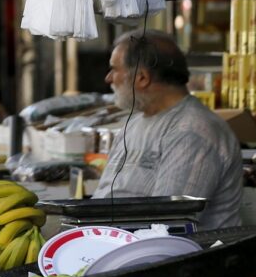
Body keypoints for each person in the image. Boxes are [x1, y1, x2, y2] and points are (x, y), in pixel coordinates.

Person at [94, 30, 243, 229]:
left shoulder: (192, 131)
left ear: (142, 77)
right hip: (116, 243)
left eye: (114, 69)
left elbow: (167, 224)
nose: (108, 78)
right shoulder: (134, 124)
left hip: (167, 255)